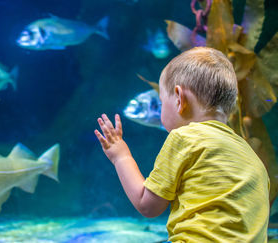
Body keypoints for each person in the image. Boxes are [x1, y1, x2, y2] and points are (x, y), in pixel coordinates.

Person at [94, 47, 269, 242]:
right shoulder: (252, 157)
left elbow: (148, 205)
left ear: (179, 98)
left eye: (162, 101)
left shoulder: (185, 138)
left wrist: (121, 156)